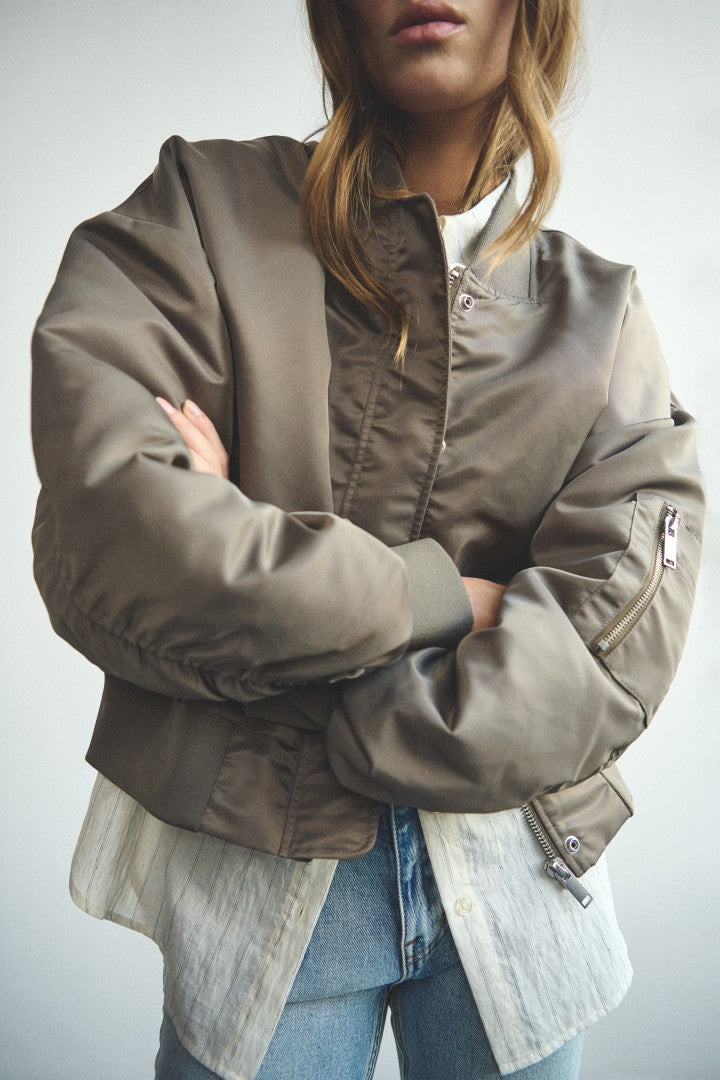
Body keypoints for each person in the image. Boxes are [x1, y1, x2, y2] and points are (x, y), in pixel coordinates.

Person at [30, 1, 704, 1078]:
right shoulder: (199, 215)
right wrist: (457, 598)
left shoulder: (603, 318)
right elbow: (124, 536)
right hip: (258, 874)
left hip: (521, 888)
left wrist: (265, 577)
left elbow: (606, 654)